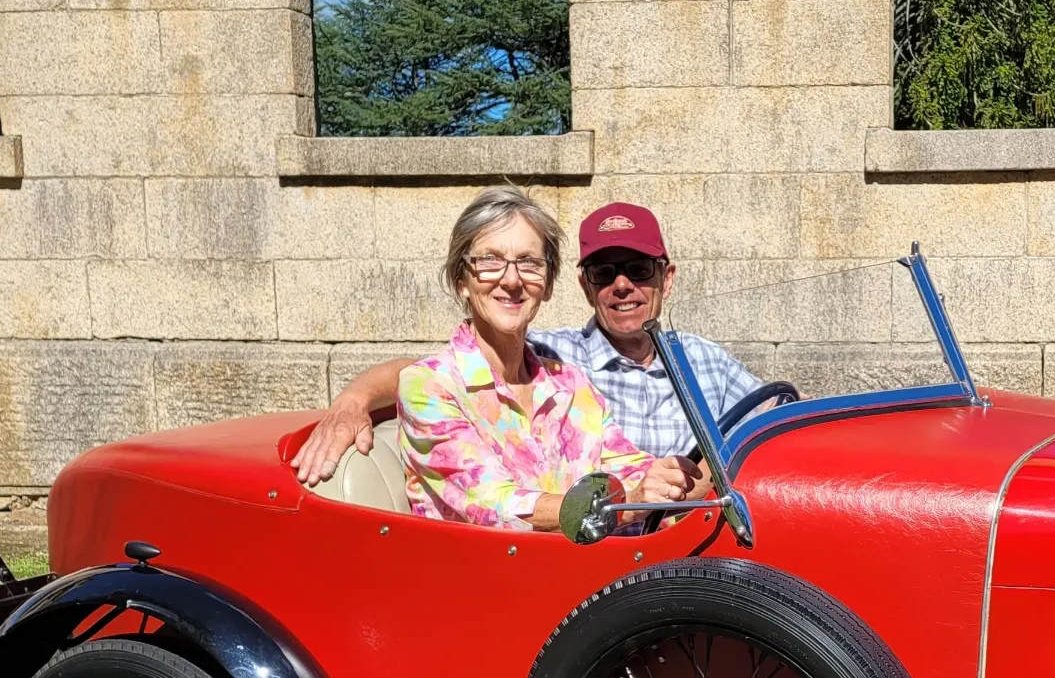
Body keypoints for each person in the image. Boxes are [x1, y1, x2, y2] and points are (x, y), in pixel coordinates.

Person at [293, 199, 764, 485]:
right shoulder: (554, 357)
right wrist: (353, 400)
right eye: (605, 273)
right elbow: (434, 374)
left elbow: (776, 420)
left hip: (685, 540)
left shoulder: (697, 360)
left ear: (667, 278)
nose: (623, 286)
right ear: (585, 286)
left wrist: (693, 481)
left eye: (639, 270)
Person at [399, 186, 695, 530]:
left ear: (549, 284)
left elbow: (628, 468)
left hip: (586, 563)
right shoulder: (429, 386)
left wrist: (665, 480)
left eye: (529, 263)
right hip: (479, 564)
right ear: (461, 280)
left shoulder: (570, 384)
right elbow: (494, 505)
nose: (512, 280)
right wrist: (624, 507)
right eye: (490, 261)